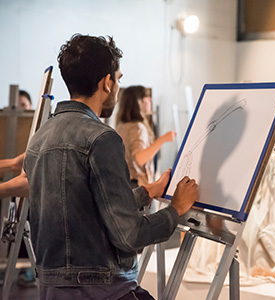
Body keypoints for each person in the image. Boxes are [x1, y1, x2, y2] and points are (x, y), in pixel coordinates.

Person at [23, 34, 198, 300]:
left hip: (52, 289)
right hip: (102, 289)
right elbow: (129, 234)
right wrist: (176, 210)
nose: (118, 86)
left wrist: (146, 192)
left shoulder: (40, 138)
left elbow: (83, 206)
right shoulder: (101, 138)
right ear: (107, 82)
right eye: (119, 78)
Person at [116, 86, 176, 187]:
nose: (151, 100)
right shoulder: (138, 128)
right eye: (147, 98)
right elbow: (140, 158)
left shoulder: (121, 125)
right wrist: (162, 139)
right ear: (139, 102)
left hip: (125, 183)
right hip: (137, 185)